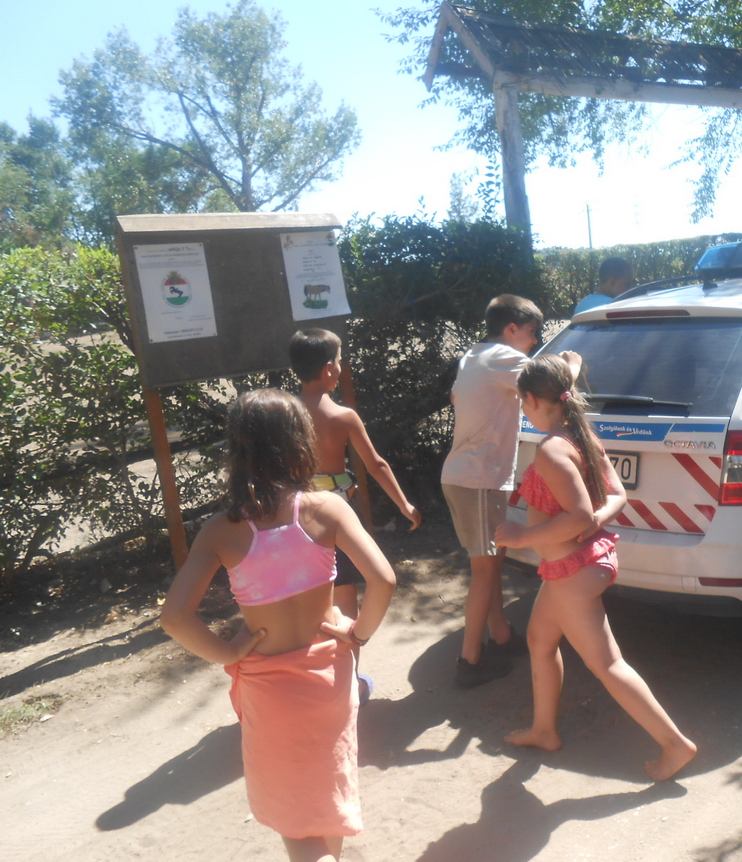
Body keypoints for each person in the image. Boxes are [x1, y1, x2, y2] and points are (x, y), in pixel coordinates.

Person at [160, 389, 396, 862]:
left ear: (237, 450)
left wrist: (229, 652)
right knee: (327, 796)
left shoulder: (221, 530)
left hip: (270, 692)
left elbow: (174, 617)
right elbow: (384, 580)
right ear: (300, 442)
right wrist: (358, 634)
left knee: (296, 824)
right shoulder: (327, 509)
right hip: (330, 677)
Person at [495, 354, 697, 780]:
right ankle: (544, 731)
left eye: (521, 400)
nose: (522, 408)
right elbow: (617, 495)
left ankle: (675, 745)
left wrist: (521, 537)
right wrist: (592, 525)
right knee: (540, 640)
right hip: (577, 565)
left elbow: (578, 516)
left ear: (533, 400)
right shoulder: (579, 432)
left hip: (572, 571)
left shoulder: (552, 450)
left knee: (608, 665)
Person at [442, 295, 580, 688]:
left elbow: (458, 397)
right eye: (533, 332)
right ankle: (470, 661)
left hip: (468, 477)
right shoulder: (504, 357)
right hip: (478, 479)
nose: (535, 341)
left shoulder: (476, 355)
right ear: (512, 329)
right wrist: (572, 365)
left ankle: (501, 636)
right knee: (485, 570)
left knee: (492, 562)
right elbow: (553, 385)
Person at [290, 327, 421, 698]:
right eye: (339, 360)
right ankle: (350, 684)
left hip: (295, 513)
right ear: (330, 369)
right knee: (345, 598)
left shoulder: (285, 413)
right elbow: (376, 464)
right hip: (335, 516)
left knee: (305, 597)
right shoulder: (343, 416)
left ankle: (308, 681)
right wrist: (404, 504)